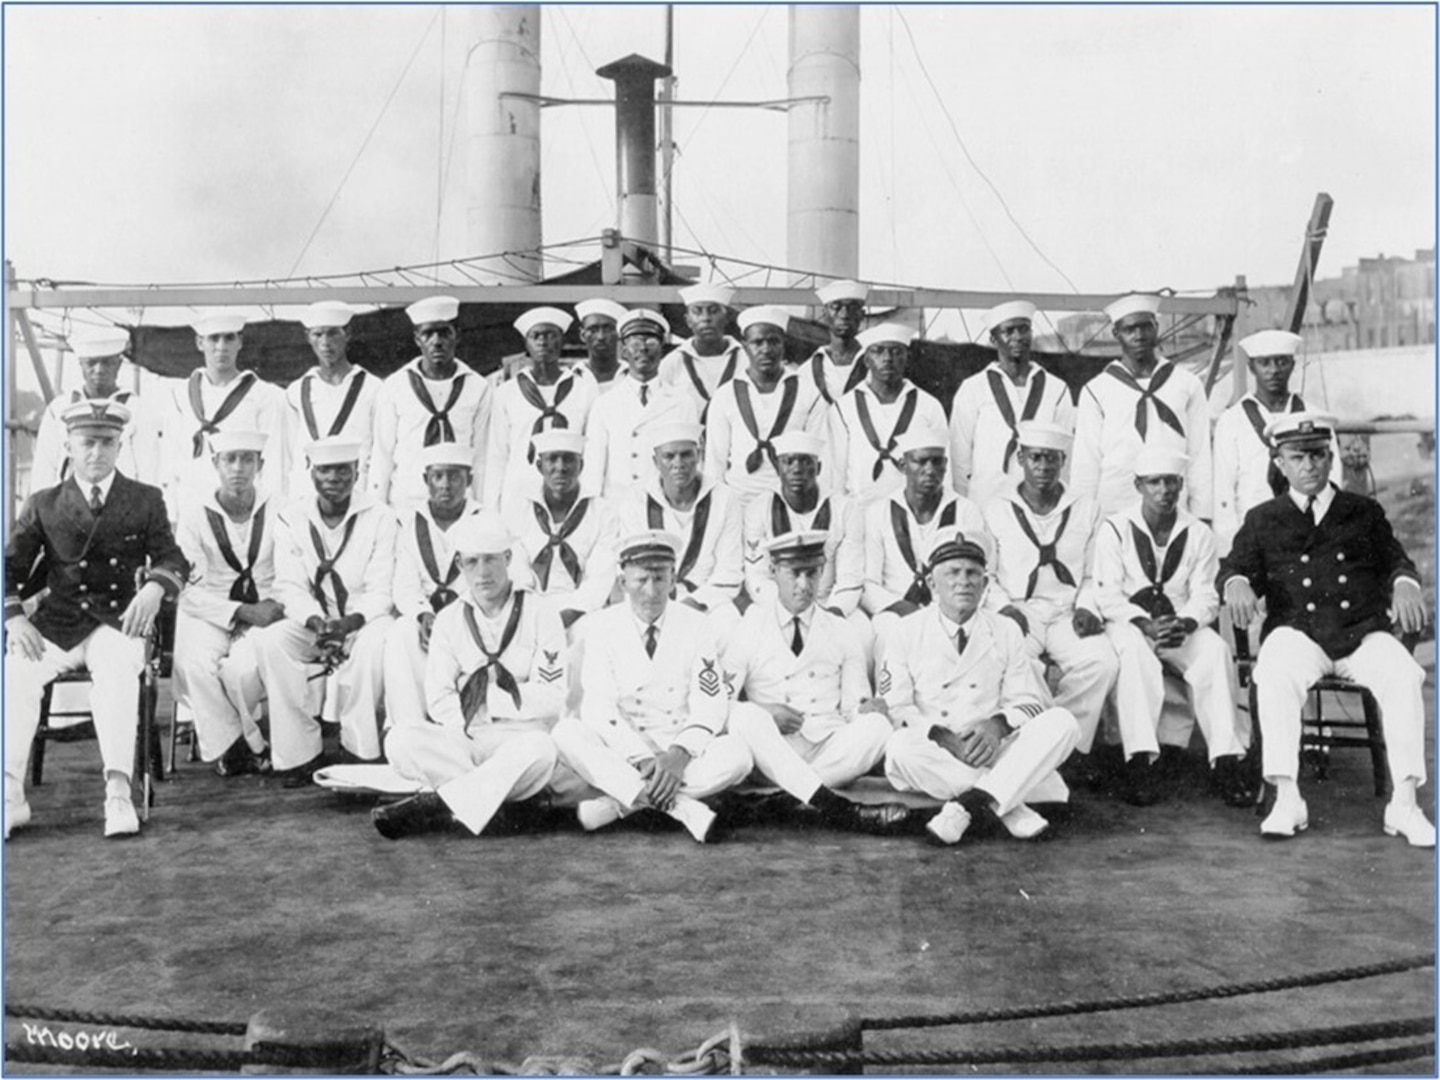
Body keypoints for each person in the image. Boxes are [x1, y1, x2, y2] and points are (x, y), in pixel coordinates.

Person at [1220, 412, 1433, 846]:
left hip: (1360, 632)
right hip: (1299, 632)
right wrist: (1237, 583)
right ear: (1280, 463)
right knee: (1273, 671)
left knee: (1404, 674)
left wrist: (1406, 584)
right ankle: (1288, 796)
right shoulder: (1264, 519)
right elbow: (1235, 566)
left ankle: (1405, 803)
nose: (1310, 466)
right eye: (1298, 457)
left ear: (1330, 456)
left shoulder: (1363, 511)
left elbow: (1396, 560)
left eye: (1318, 455)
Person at [5, 400, 187, 839]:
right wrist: (13, 619)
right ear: (68, 444)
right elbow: (8, 568)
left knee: (118, 675)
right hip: (57, 623)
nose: (96, 453)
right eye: (87, 443)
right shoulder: (44, 503)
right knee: (13, 674)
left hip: (116, 622)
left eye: (106, 443)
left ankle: (118, 791)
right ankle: (10, 795)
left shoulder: (145, 499)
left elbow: (172, 556)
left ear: (120, 445)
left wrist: (155, 586)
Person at [372, 513, 568, 840]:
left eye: (491, 560)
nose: (482, 572)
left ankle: (439, 805)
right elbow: (439, 699)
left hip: (519, 736)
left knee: (542, 748)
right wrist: (467, 725)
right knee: (400, 739)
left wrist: (487, 701)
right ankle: (495, 805)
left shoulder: (540, 613)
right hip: (466, 736)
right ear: (460, 566)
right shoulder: (449, 619)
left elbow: (552, 697)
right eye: (471, 562)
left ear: (508, 558)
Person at [549, 530, 753, 843]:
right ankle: (682, 808)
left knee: (737, 755)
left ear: (673, 581)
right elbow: (598, 708)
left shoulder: (697, 625)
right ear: (622, 584)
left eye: (660, 578)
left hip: (679, 749)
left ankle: (620, 804)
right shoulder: (601, 627)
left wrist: (679, 754)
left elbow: (710, 702)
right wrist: (642, 759)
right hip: (625, 750)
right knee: (567, 733)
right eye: (640, 580)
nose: (651, 591)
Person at [879, 529, 1080, 844]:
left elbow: (1028, 701)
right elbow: (896, 708)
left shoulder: (1006, 629)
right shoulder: (904, 631)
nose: (964, 581)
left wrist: (997, 726)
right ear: (932, 583)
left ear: (986, 584)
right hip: (935, 749)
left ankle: (966, 805)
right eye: (953, 573)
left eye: (973, 573)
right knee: (900, 749)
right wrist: (943, 737)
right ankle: (1009, 803)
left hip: (993, 750)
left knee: (1063, 722)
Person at [721, 531, 912, 834]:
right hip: (772, 749)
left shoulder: (840, 629)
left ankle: (780, 801)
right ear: (773, 571)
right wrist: (767, 712)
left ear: (822, 572)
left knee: (877, 727)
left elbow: (854, 707)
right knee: (743, 716)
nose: (804, 584)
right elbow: (722, 702)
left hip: (826, 747)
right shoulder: (749, 626)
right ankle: (838, 808)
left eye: (812, 573)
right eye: (794, 573)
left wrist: (870, 709)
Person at [1092, 447, 1248, 807]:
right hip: (1131, 624)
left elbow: (1207, 594)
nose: (1164, 491)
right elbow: (1107, 594)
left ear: (1181, 485)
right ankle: (1141, 760)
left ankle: (1225, 759)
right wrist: (1144, 624)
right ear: (1138, 485)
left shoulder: (1198, 533)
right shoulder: (1116, 529)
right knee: (1134, 655)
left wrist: (1187, 622)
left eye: (1171, 482)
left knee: (1214, 652)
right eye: (1154, 482)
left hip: (1178, 625)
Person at [250, 438, 396, 781]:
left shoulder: (381, 516)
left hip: (363, 621)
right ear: (311, 472)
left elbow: (382, 588)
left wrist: (348, 624)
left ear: (357, 472)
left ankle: (359, 748)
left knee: (378, 642)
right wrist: (317, 622)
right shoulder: (291, 518)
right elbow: (289, 585)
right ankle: (300, 753)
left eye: (343, 470)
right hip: (313, 622)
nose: (334, 478)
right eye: (325, 470)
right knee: (272, 642)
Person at [981, 420, 1116, 777]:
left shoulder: (1086, 508)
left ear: (1063, 462)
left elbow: (1092, 573)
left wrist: (1087, 605)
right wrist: (1002, 607)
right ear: (1021, 458)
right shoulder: (996, 508)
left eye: (1052, 459)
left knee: (1102, 663)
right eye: (1035, 458)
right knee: (1017, 664)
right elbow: (987, 575)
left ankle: (1066, 751)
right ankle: (1029, 745)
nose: (1043, 468)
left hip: (1066, 611)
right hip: (1018, 611)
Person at [173, 430, 281, 776]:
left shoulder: (280, 508)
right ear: (215, 464)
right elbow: (188, 590)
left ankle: (251, 739)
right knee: (195, 664)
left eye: (247, 459)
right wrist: (238, 611)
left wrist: (273, 606)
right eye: (229, 459)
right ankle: (236, 746)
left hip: (269, 609)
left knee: (244, 668)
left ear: (260, 464)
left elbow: (294, 568)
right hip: (212, 610)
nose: (238, 468)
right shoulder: (194, 514)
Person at [1072, 294, 1212, 519]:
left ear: (1156, 327)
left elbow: (1199, 455)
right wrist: (1081, 521)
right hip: (1115, 509)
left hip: (1175, 508)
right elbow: (1086, 463)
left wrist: (1203, 514)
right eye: (1130, 329)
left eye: (1145, 327)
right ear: (1116, 333)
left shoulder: (1187, 384)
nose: (1139, 336)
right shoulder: (1096, 390)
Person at [383, 443, 482, 730]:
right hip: (425, 615)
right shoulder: (408, 521)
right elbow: (405, 583)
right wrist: (423, 615)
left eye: (455, 476)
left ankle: (461, 727)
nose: (446, 485)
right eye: (438, 476)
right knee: (400, 633)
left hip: (468, 616)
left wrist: (455, 619)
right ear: (426, 480)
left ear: (469, 481)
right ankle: (408, 728)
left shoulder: (484, 520)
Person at [158, 311, 288, 523]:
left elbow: (273, 462)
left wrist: (269, 517)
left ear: (240, 342)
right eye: (213, 338)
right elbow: (170, 459)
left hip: (242, 509)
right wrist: (171, 514)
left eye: (229, 338)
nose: (221, 346)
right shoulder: (179, 394)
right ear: (200, 342)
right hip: (191, 504)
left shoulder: (265, 395)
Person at [1212, 329, 1331, 555]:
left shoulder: (1314, 418)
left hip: (1308, 532)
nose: (1274, 370)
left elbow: (1331, 479)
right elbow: (1224, 492)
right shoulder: (1231, 421)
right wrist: (1231, 550)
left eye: (1281, 362)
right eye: (1264, 363)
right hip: (1253, 534)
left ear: (1293, 365)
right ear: (1251, 367)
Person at [370, 295, 492, 512]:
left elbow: (482, 457)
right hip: (407, 504)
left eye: (444, 332)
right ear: (417, 338)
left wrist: (482, 511)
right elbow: (382, 455)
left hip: (461, 506)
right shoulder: (395, 386)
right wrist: (377, 513)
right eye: (428, 333)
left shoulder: (478, 387)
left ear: (457, 335)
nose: (436, 341)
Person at [949, 300, 1075, 506]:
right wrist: (965, 506)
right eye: (1009, 331)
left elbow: (1065, 452)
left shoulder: (1056, 388)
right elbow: (959, 457)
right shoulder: (973, 388)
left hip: (1038, 503)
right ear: (993, 338)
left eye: (1024, 329)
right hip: (986, 498)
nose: (1018, 337)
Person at [704, 305, 829, 507]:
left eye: (773, 342)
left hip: (790, 502)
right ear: (745, 346)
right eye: (757, 342)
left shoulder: (808, 392)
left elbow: (822, 454)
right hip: (738, 500)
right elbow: (715, 461)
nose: (766, 349)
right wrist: (719, 506)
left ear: (784, 344)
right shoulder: (725, 395)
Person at [861, 428, 988, 627]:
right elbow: (869, 583)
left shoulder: (966, 511)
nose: (929, 470)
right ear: (903, 465)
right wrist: (902, 608)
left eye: (936, 462)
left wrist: (944, 611)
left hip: (950, 611)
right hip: (896, 612)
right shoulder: (879, 512)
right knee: (886, 630)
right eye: (920, 461)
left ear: (946, 466)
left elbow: (980, 571)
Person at [617, 422, 744, 618]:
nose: (678, 463)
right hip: (651, 598)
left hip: (707, 602)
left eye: (686, 454)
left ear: (699, 456)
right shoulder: (635, 500)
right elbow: (632, 566)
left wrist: (693, 604)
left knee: (730, 624)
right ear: (656, 461)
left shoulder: (725, 498)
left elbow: (729, 570)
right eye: (669, 456)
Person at [742, 432, 865, 625]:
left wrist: (832, 612)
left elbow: (850, 575)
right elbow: (757, 576)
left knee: (861, 632)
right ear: (778, 468)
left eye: (806, 462)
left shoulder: (845, 510)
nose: (797, 469)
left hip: (829, 605)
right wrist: (787, 610)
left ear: (819, 468)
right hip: (776, 607)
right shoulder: (758, 509)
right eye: (788, 462)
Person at [503, 430, 620, 630]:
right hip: (530, 609)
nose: (560, 468)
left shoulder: (603, 513)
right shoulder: (518, 509)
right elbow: (516, 568)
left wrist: (568, 614)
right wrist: (534, 613)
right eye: (552, 460)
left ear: (581, 465)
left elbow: (600, 577)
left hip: (583, 612)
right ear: (540, 466)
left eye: (568, 460)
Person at [485, 307, 599, 512]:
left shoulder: (584, 389)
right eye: (535, 336)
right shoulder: (506, 393)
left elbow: (592, 450)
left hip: (569, 491)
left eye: (550, 335)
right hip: (519, 492)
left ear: (561, 341)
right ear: (526, 343)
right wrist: (492, 508)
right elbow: (497, 455)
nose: (543, 342)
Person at [827, 320, 946, 508]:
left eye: (896, 351)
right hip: (859, 510)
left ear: (907, 358)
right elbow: (835, 473)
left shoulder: (929, 406)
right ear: (866, 360)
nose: (887, 358)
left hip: (911, 514)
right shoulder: (844, 408)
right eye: (878, 351)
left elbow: (945, 471)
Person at [583, 309, 699, 500]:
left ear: (662, 347)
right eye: (635, 342)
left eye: (651, 342)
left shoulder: (682, 402)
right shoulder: (605, 404)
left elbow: (691, 463)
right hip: (618, 506)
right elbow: (593, 469)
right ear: (623, 350)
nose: (643, 349)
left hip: (664, 505)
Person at [30, 327, 157, 492]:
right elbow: (43, 473)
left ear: (118, 364)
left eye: (107, 362)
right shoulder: (59, 409)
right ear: (80, 364)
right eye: (91, 363)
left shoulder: (138, 411)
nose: (99, 369)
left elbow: (149, 473)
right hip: (67, 511)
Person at [284, 300, 380, 501]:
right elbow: (290, 453)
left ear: (348, 334)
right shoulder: (296, 391)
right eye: (318, 334)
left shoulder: (373, 388)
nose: (325, 342)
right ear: (308, 337)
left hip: (356, 491)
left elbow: (379, 450)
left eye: (333, 333)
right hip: (308, 492)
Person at [657, 283, 745, 418]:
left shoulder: (745, 360)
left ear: (726, 317)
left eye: (714, 311)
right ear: (688, 320)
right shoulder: (673, 362)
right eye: (697, 311)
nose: (706, 318)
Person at [802, 279, 871, 405]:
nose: (844, 315)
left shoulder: (875, 365)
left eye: (852, 307)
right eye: (836, 307)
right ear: (824, 313)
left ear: (862, 314)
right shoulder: (807, 371)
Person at [574, 298, 628, 390]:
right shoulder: (572, 377)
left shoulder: (631, 376)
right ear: (582, 335)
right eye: (593, 330)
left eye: (608, 329)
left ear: (619, 333)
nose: (601, 337)